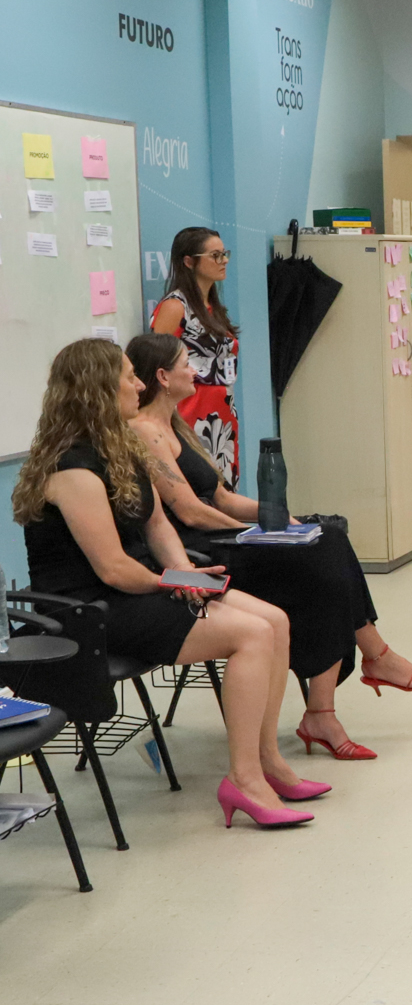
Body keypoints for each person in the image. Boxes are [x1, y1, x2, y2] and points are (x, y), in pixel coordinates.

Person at [12, 338, 324, 828]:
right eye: (129, 376)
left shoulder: (119, 446)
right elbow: (112, 568)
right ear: (97, 389)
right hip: (86, 610)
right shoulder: (71, 468)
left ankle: (267, 762)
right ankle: (244, 780)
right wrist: (172, 583)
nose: (139, 384)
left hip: (137, 586)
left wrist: (185, 572)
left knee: (275, 620)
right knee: (251, 635)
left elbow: (158, 528)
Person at [126, 333, 412, 761]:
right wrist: (258, 535)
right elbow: (189, 512)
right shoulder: (144, 432)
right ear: (163, 376)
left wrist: (277, 516)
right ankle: (366, 669)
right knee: (319, 562)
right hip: (200, 551)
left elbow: (221, 498)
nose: (196, 370)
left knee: (326, 539)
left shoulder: (178, 426)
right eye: (187, 363)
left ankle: (338, 695)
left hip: (220, 533)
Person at [150, 227, 240, 486]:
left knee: (224, 490)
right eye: (215, 255)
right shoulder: (175, 306)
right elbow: (157, 364)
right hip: (190, 412)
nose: (223, 261)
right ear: (189, 261)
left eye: (224, 254)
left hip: (222, 413)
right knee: (200, 489)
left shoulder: (213, 307)